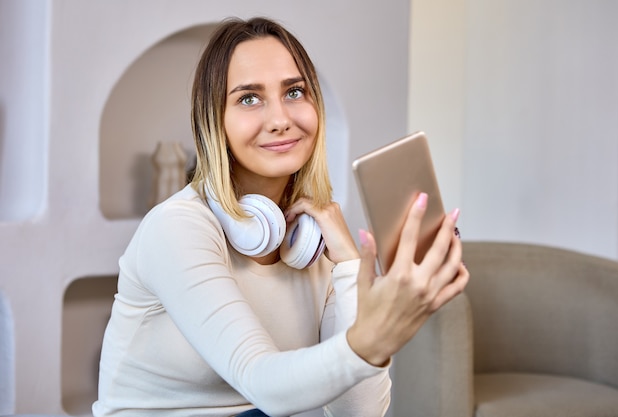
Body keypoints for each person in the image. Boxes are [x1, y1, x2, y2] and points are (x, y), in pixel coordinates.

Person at [92, 16, 469, 417]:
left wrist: (348, 267)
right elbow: (261, 383)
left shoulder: (313, 241)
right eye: (249, 98)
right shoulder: (176, 228)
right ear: (213, 122)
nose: (280, 119)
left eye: (294, 92)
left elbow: (356, 413)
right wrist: (371, 340)